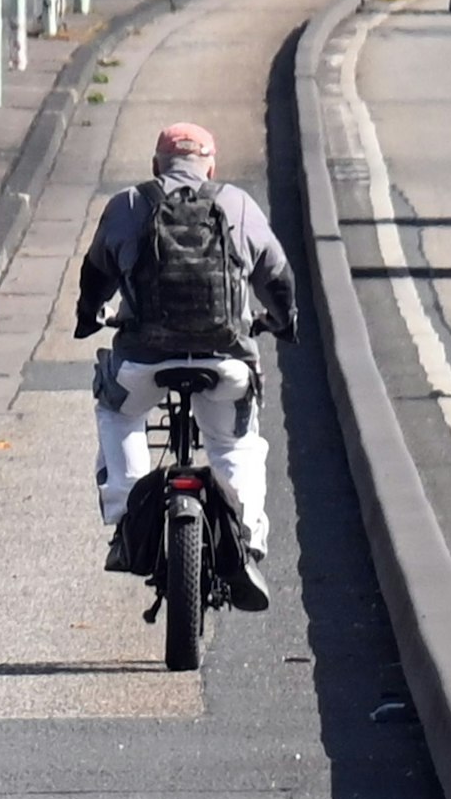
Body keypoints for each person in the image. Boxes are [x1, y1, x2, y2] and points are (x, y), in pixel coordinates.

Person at [74, 123, 295, 611]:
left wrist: (89, 316)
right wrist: (282, 321)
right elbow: (276, 275)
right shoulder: (237, 205)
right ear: (211, 166)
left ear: (157, 165)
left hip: (143, 362)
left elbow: (96, 274)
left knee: (120, 413)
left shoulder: (128, 206)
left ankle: (128, 514)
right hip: (227, 362)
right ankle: (247, 536)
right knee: (234, 444)